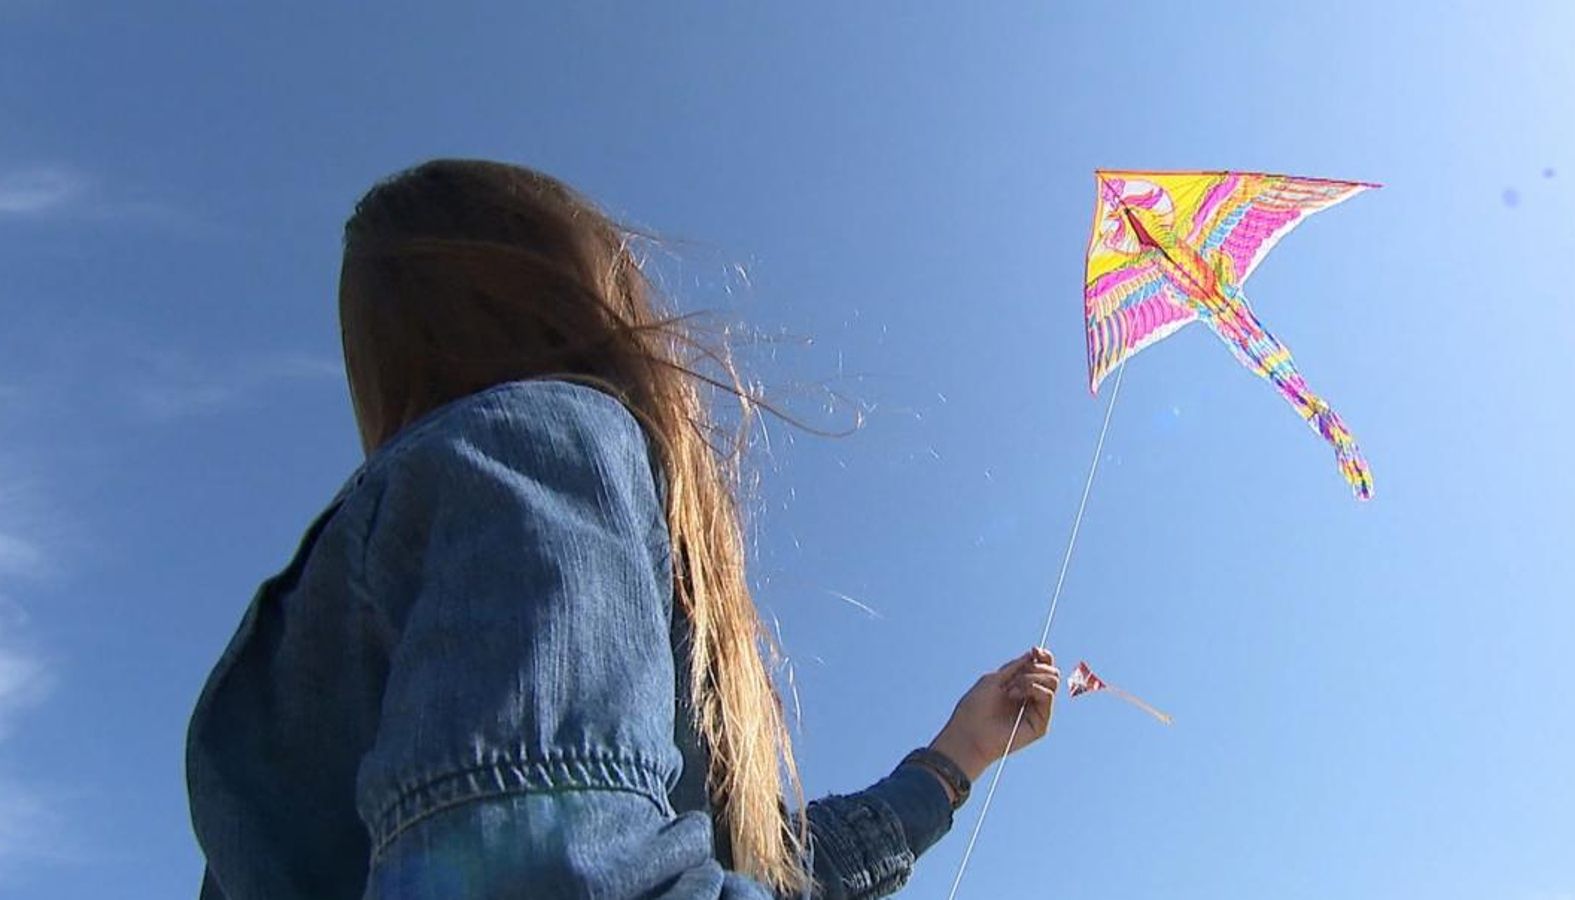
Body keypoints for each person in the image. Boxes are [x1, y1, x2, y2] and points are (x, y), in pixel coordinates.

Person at [185, 159, 1061, 899]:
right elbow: (551, 876)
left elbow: (764, 864)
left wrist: (959, 756)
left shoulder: (363, 605)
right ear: (589, 296)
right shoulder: (541, 445)